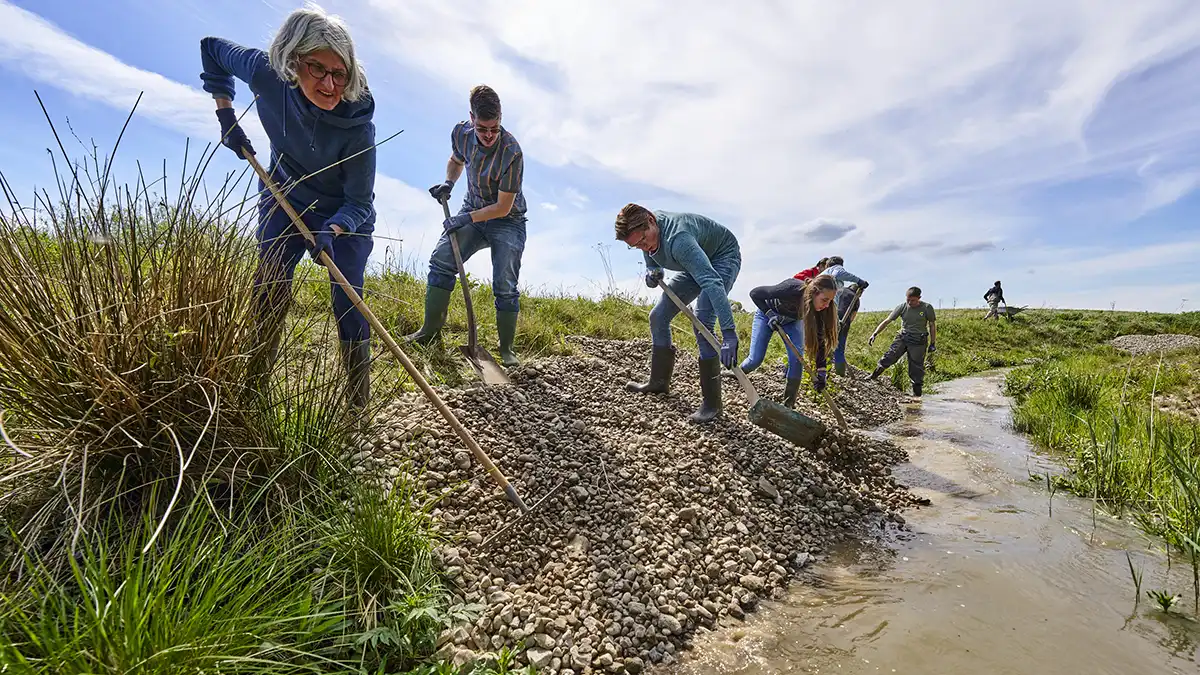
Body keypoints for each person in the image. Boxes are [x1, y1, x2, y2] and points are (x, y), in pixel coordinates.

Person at [200, 5, 377, 415]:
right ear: (293, 60)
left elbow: (359, 202)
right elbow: (210, 49)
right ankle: (252, 390)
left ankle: (357, 408)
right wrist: (225, 112)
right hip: (285, 193)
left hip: (343, 218)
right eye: (319, 69)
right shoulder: (264, 72)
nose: (332, 84)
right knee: (270, 281)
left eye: (341, 73)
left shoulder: (359, 129)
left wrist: (332, 230)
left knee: (349, 299)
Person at [405, 85, 527, 367]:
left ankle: (507, 351)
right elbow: (456, 160)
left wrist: (465, 219)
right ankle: (430, 332)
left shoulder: (512, 152)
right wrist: (449, 182)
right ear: (472, 118)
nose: (488, 136)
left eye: (494, 129)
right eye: (483, 128)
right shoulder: (461, 133)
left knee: (505, 285)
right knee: (442, 259)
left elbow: (503, 207)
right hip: (472, 209)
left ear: (500, 121)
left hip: (507, 221)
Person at [618, 204, 741, 424]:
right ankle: (658, 382)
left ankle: (712, 405)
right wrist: (653, 272)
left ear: (651, 221)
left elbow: (712, 282)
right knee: (658, 317)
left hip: (722, 258)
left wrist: (729, 333)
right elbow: (652, 258)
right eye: (636, 246)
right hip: (694, 263)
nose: (643, 247)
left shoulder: (679, 240)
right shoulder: (646, 238)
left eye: (643, 241)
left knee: (702, 321)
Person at [740, 274, 839, 408]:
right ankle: (738, 373)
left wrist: (822, 372)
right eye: (824, 300)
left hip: (792, 322)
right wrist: (770, 314)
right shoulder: (791, 289)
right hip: (766, 315)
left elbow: (820, 340)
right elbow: (755, 293)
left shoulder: (818, 309)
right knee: (756, 359)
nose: (827, 305)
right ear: (814, 292)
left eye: (829, 301)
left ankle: (788, 405)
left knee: (797, 358)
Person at [865, 286, 937, 396]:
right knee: (889, 356)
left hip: (919, 341)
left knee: (916, 368)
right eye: (908, 299)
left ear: (919, 298)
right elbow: (887, 320)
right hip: (903, 337)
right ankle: (873, 376)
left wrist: (932, 343)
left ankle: (917, 396)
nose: (910, 302)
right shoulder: (902, 307)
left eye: (913, 300)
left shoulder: (927, 308)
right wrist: (875, 333)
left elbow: (932, 325)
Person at [822, 256, 869, 376]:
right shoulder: (835, 270)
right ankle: (839, 375)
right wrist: (860, 281)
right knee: (839, 347)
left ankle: (821, 372)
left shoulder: (823, 275)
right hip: (836, 317)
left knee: (822, 343)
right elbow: (839, 273)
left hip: (823, 312)